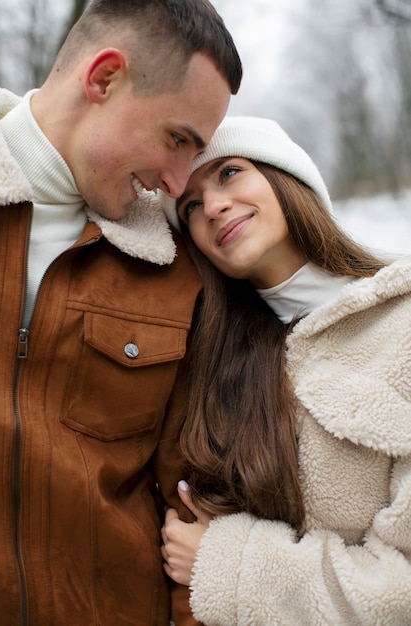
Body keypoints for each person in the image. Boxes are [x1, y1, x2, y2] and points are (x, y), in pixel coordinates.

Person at [0, 0, 242, 623]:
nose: (182, 181)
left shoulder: (175, 271)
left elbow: (195, 517)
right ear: (103, 79)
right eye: (177, 138)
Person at [160, 116, 411, 625]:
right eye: (189, 205)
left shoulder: (401, 322)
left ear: (285, 177)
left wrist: (228, 564)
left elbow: (400, 588)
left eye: (229, 173)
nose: (212, 206)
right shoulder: (213, 361)